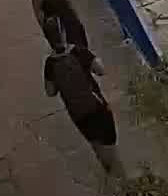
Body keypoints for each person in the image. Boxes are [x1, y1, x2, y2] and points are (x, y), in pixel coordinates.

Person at [42, 19, 121, 179]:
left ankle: (107, 169)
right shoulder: (78, 52)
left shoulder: (50, 65)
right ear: (63, 33)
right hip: (97, 106)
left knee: (95, 143)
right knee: (109, 143)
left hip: (78, 114)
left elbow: (50, 92)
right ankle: (117, 174)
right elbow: (101, 70)